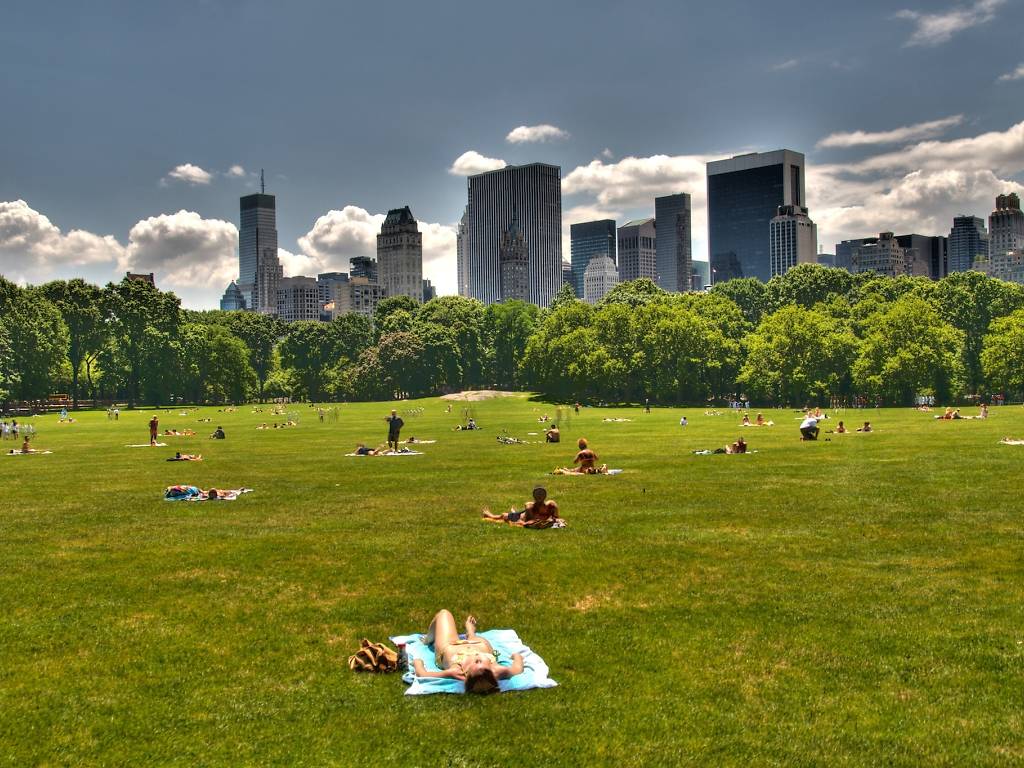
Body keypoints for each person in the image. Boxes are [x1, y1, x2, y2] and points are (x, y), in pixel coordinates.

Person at [412, 611, 524, 693]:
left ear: (467, 673)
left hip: (450, 645)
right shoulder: (498, 670)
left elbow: (423, 674)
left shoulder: (456, 671)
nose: (476, 659)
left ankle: (428, 639)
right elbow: (517, 669)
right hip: (477, 644)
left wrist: (418, 663)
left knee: (444, 614)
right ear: (491, 670)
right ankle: (471, 633)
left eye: (475, 663)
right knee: (482, 646)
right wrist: (517, 656)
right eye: (481, 662)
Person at [482, 486, 561, 528]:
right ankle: (489, 515)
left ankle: (514, 511)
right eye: (538, 494)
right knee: (504, 516)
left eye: (541, 494)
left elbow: (556, 518)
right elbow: (528, 523)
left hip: (527, 515)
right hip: (520, 517)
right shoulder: (529, 506)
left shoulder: (552, 505)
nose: (540, 496)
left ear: (545, 495)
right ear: (534, 496)